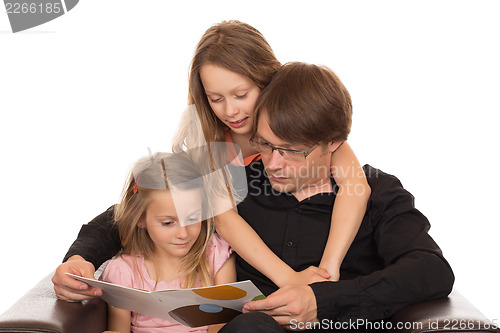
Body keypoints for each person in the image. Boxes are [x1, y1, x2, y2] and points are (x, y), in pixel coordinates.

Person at [52, 20, 370, 301]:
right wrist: (80, 257)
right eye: (216, 99)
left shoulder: (307, 134)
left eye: (241, 94)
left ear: (269, 80)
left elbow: (356, 188)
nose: (230, 111)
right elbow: (188, 214)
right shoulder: (211, 147)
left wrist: (328, 270)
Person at [100, 152, 235, 332]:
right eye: (168, 223)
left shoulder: (215, 254)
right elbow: (119, 329)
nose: (183, 233)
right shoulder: (123, 272)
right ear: (140, 219)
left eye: (193, 218)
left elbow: (220, 327)